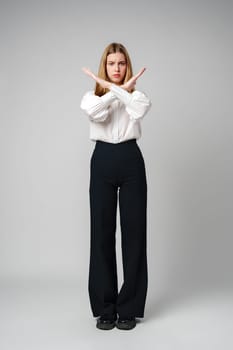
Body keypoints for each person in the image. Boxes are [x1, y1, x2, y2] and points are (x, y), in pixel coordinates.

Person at [80, 42, 151, 330]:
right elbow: (96, 112)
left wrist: (118, 89)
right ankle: (105, 307)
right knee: (101, 235)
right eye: (111, 64)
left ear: (127, 66)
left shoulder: (138, 95)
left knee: (134, 235)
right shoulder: (90, 96)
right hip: (103, 161)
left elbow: (138, 109)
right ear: (104, 67)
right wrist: (107, 89)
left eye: (121, 63)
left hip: (131, 160)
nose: (117, 68)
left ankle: (129, 308)